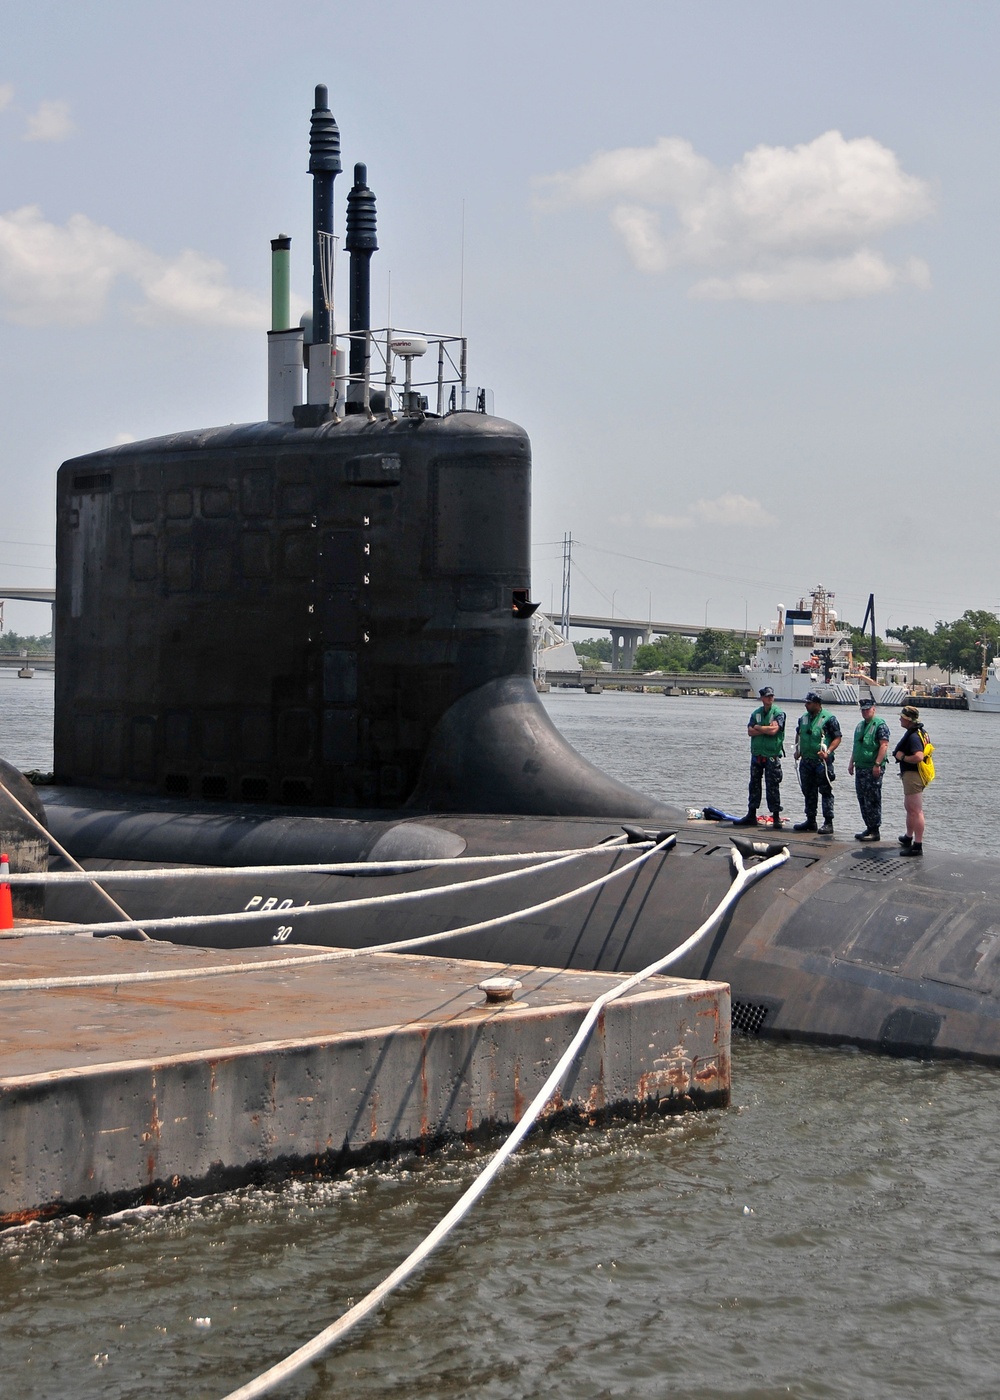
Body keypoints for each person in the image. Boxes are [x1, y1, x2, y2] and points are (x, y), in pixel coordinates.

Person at [733, 685, 786, 828]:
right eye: (767, 696)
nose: (770, 698)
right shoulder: (756, 713)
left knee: (773, 786)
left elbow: (774, 730)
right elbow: (750, 731)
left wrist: (759, 728)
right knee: (754, 784)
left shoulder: (778, 713)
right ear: (762, 698)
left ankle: (776, 816)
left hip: (771, 755)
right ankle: (751, 814)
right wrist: (764, 729)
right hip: (757, 754)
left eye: (772, 696)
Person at [793, 691, 842, 833]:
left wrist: (828, 752)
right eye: (806, 702)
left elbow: (837, 738)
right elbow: (799, 733)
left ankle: (828, 822)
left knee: (825, 791)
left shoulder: (829, 718)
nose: (806, 705)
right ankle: (810, 820)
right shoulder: (803, 718)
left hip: (821, 763)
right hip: (806, 761)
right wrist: (798, 750)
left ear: (816, 704)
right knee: (808, 791)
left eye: (808, 703)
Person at [847, 697, 890, 841]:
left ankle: (875, 830)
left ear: (873, 709)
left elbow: (884, 745)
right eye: (863, 710)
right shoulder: (860, 726)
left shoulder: (880, 725)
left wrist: (877, 764)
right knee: (862, 798)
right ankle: (868, 827)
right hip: (860, 767)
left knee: (873, 799)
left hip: (872, 768)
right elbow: (856, 746)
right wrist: (851, 762)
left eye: (867, 709)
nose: (865, 712)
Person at [894, 704, 929, 857]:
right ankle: (909, 837)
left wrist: (902, 757)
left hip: (913, 775)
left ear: (908, 720)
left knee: (916, 810)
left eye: (902, 717)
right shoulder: (918, 732)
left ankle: (918, 845)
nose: (900, 719)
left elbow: (919, 756)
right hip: (911, 775)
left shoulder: (914, 736)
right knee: (910, 808)